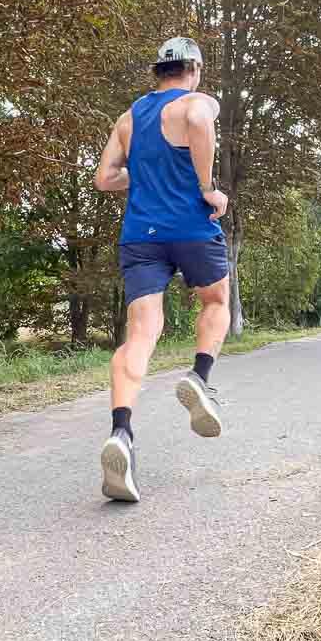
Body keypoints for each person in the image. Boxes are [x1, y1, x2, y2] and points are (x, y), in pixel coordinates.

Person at [92, 36, 231, 503]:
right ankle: (198, 376)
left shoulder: (129, 118)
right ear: (192, 69)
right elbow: (196, 120)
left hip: (140, 236)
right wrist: (208, 187)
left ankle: (121, 433)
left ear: (158, 71)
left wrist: (146, 174)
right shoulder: (196, 101)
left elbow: (105, 178)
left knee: (141, 334)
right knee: (216, 301)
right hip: (192, 228)